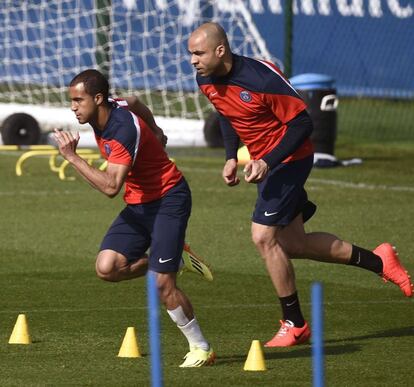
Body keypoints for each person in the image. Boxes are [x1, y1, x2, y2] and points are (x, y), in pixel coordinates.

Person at [188, 22, 413, 347]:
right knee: (293, 244)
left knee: (263, 237)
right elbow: (226, 113)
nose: (193, 61)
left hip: (290, 159)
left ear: (220, 50)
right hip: (265, 164)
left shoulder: (261, 77)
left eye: (198, 53)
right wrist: (229, 156)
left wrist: (268, 160)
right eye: (190, 54)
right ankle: (380, 260)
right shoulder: (205, 80)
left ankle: (294, 323)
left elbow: (303, 123)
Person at [53, 69, 215, 367]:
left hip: (169, 200)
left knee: (161, 284)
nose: (73, 106)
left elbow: (111, 187)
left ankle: (201, 347)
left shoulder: (121, 128)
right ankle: (176, 257)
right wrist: (156, 131)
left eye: (78, 100)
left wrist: (73, 157)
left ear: (98, 99)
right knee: (107, 268)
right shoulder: (116, 105)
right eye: (71, 101)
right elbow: (137, 101)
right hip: (139, 204)